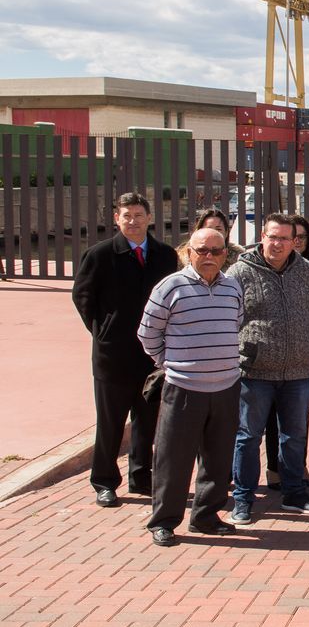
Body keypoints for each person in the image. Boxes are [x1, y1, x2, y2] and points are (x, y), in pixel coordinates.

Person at [72, 192, 179, 507]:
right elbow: (82, 296)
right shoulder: (100, 254)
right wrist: (101, 330)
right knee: (111, 422)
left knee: (147, 421)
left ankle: (142, 477)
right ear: (116, 219)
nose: (133, 221)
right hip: (113, 355)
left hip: (152, 355)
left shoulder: (164, 255)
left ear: (149, 218)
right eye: (126, 215)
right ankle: (104, 482)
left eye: (138, 215)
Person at [137, 228, 243, 546]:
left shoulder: (232, 287)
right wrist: (168, 362)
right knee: (174, 458)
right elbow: (148, 333)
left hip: (226, 386)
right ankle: (164, 521)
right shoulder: (169, 287)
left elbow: (235, 323)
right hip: (184, 387)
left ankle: (206, 517)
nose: (209, 256)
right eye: (202, 250)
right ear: (188, 252)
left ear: (225, 254)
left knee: (218, 458)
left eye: (216, 250)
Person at [226, 213, 309, 524]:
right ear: (262, 236)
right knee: (248, 436)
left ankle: (294, 492)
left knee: (294, 435)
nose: (279, 243)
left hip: (297, 371)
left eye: (285, 238)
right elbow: (230, 318)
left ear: (293, 241)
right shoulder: (239, 272)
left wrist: (297, 346)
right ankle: (243, 498)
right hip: (255, 372)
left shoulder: (306, 271)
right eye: (274, 237)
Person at [262, 213, 309, 491]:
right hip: (264, 362)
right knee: (260, 424)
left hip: (301, 359)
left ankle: (295, 470)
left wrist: (301, 339)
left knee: (296, 422)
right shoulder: (254, 269)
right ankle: (271, 470)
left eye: (298, 237)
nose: (291, 242)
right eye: (287, 237)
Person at [174, 208, 243, 270]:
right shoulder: (180, 259)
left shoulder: (238, 259)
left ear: (226, 233)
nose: (213, 233)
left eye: (218, 229)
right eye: (208, 228)